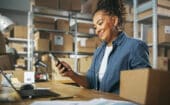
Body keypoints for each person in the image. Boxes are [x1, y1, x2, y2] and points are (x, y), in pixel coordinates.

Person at [56, 0, 151, 94]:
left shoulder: (135, 47)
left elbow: (145, 87)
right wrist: (71, 74)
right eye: (95, 27)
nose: (97, 30)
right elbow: (90, 82)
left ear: (114, 21)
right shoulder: (99, 51)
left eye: (100, 23)